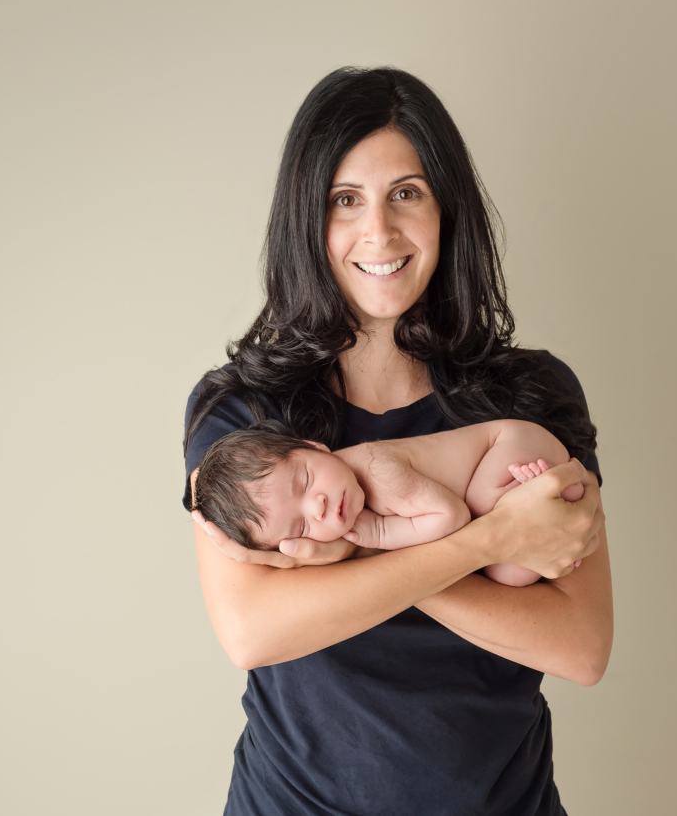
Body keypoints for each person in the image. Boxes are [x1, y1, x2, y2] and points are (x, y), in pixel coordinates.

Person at [184, 66, 613, 816]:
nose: (378, 232)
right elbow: (252, 630)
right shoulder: (245, 413)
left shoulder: (532, 395)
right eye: (344, 201)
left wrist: (354, 552)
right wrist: (494, 538)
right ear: (306, 221)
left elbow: (581, 646)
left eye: (405, 194)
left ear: (446, 209)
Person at [191, 420, 597, 587]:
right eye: (299, 529)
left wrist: (379, 535)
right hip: (507, 469)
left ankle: (554, 493)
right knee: (509, 576)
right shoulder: (340, 496)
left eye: (306, 481)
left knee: (482, 512)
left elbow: (453, 516)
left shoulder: (376, 469)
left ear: (312, 447)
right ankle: (552, 500)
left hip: (512, 444)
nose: (316, 507)